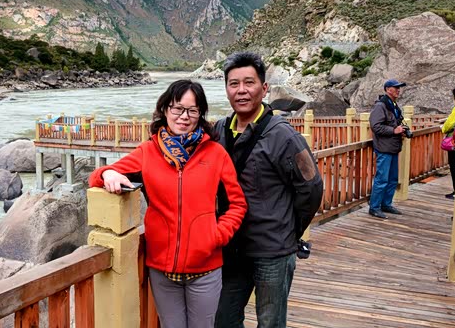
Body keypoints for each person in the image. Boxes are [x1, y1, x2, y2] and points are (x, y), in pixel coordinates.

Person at [88, 79, 247, 328]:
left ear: (200, 114)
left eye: (192, 110)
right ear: (165, 109)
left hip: (205, 269)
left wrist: (216, 236)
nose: (184, 116)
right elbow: (97, 176)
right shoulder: (148, 151)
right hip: (162, 271)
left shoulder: (216, 154)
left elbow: (237, 204)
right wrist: (108, 173)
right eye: (177, 108)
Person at [213, 52, 324, 328]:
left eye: (249, 82)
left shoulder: (283, 136)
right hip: (232, 248)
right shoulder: (219, 130)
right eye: (234, 83)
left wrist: (289, 230)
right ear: (226, 89)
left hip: (272, 250)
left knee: (270, 323)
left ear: (264, 89)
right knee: (223, 319)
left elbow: (311, 188)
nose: (241, 90)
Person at [368, 79, 408, 219]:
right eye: (395, 87)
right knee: (382, 179)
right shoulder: (380, 106)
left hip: (393, 147)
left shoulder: (393, 105)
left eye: (399, 88)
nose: (398, 90)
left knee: (392, 179)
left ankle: (386, 204)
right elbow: (375, 126)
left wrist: (400, 131)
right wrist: (394, 130)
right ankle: (374, 207)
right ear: (387, 89)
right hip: (384, 148)